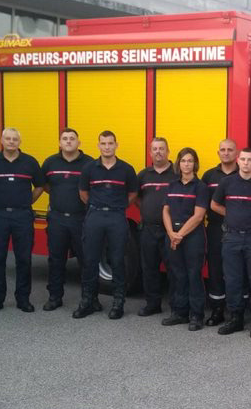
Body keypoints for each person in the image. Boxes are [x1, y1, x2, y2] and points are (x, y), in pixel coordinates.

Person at [0, 128, 44, 313]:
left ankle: (23, 299)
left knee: (24, 259)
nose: (11, 142)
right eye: (8, 138)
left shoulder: (30, 162)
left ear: (19, 142)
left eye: (15, 139)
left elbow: (40, 185)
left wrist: (27, 201)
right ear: (2, 140)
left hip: (22, 216)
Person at [73, 130, 138, 320]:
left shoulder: (126, 169)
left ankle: (118, 303)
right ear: (98, 145)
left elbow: (133, 193)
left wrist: (119, 206)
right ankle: (88, 301)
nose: (107, 147)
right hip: (95, 216)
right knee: (90, 260)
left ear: (116, 145)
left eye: (110, 143)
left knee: (117, 260)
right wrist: (96, 206)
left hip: (117, 217)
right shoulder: (89, 168)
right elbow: (83, 193)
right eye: (103, 143)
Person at [210, 148, 251, 337]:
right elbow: (214, 204)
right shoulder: (227, 182)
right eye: (243, 159)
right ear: (238, 160)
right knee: (233, 279)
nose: (246, 163)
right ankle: (235, 318)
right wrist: (232, 215)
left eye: (250, 160)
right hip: (232, 237)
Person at [40, 128, 94, 311]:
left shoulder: (89, 163)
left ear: (79, 142)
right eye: (65, 138)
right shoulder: (50, 162)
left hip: (81, 219)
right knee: (56, 260)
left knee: (86, 260)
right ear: (59, 143)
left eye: (72, 138)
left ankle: (90, 299)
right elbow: (44, 185)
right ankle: (55, 297)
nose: (68, 141)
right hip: (57, 218)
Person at [161, 148, 209, 330]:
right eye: (183, 161)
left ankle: (196, 315)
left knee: (193, 274)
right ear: (178, 163)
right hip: (173, 235)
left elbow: (198, 216)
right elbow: (165, 210)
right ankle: (179, 313)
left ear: (195, 164)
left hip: (192, 236)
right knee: (177, 274)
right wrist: (170, 233)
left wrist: (179, 234)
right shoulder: (172, 185)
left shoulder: (201, 187)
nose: (186, 164)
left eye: (190, 161)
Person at [136, 137, 177, 316]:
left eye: (162, 148)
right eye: (155, 149)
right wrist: (146, 209)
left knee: (174, 269)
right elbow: (136, 197)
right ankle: (152, 304)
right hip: (148, 229)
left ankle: (176, 306)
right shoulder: (143, 175)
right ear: (150, 152)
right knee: (149, 268)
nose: (158, 152)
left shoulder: (177, 174)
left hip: (170, 231)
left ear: (168, 152)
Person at [201, 139, 238, 326]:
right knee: (215, 269)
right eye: (222, 150)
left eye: (230, 150)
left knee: (236, 272)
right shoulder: (209, 176)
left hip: (238, 230)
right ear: (218, 153)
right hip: (215, 228)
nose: (226, 153)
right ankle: (217, 310)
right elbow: (202, 203)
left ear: (236, 153)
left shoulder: (245, 174)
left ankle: (236, 312)